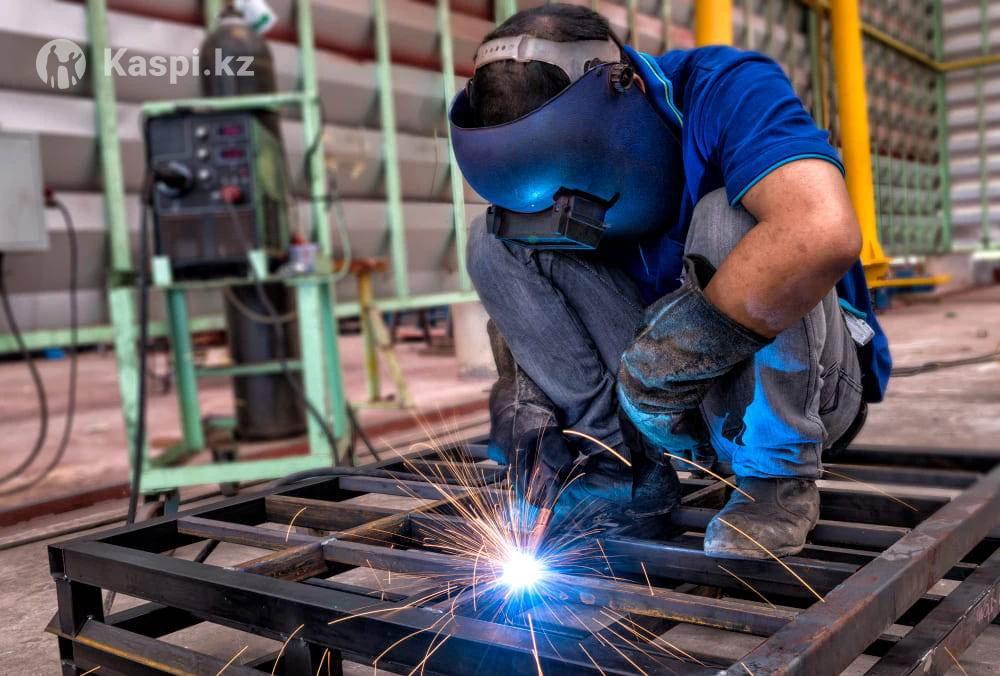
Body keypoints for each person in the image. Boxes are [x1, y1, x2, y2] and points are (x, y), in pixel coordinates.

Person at [449, 4, 891, 560]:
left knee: (729, 215)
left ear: (627, 86)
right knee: (495, 240)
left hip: (809, 388)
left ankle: (776, 479)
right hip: (656, 417)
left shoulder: (727, 86)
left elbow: (821, 231)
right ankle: (621, 471)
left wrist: (670, 360)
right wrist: (529, 389)